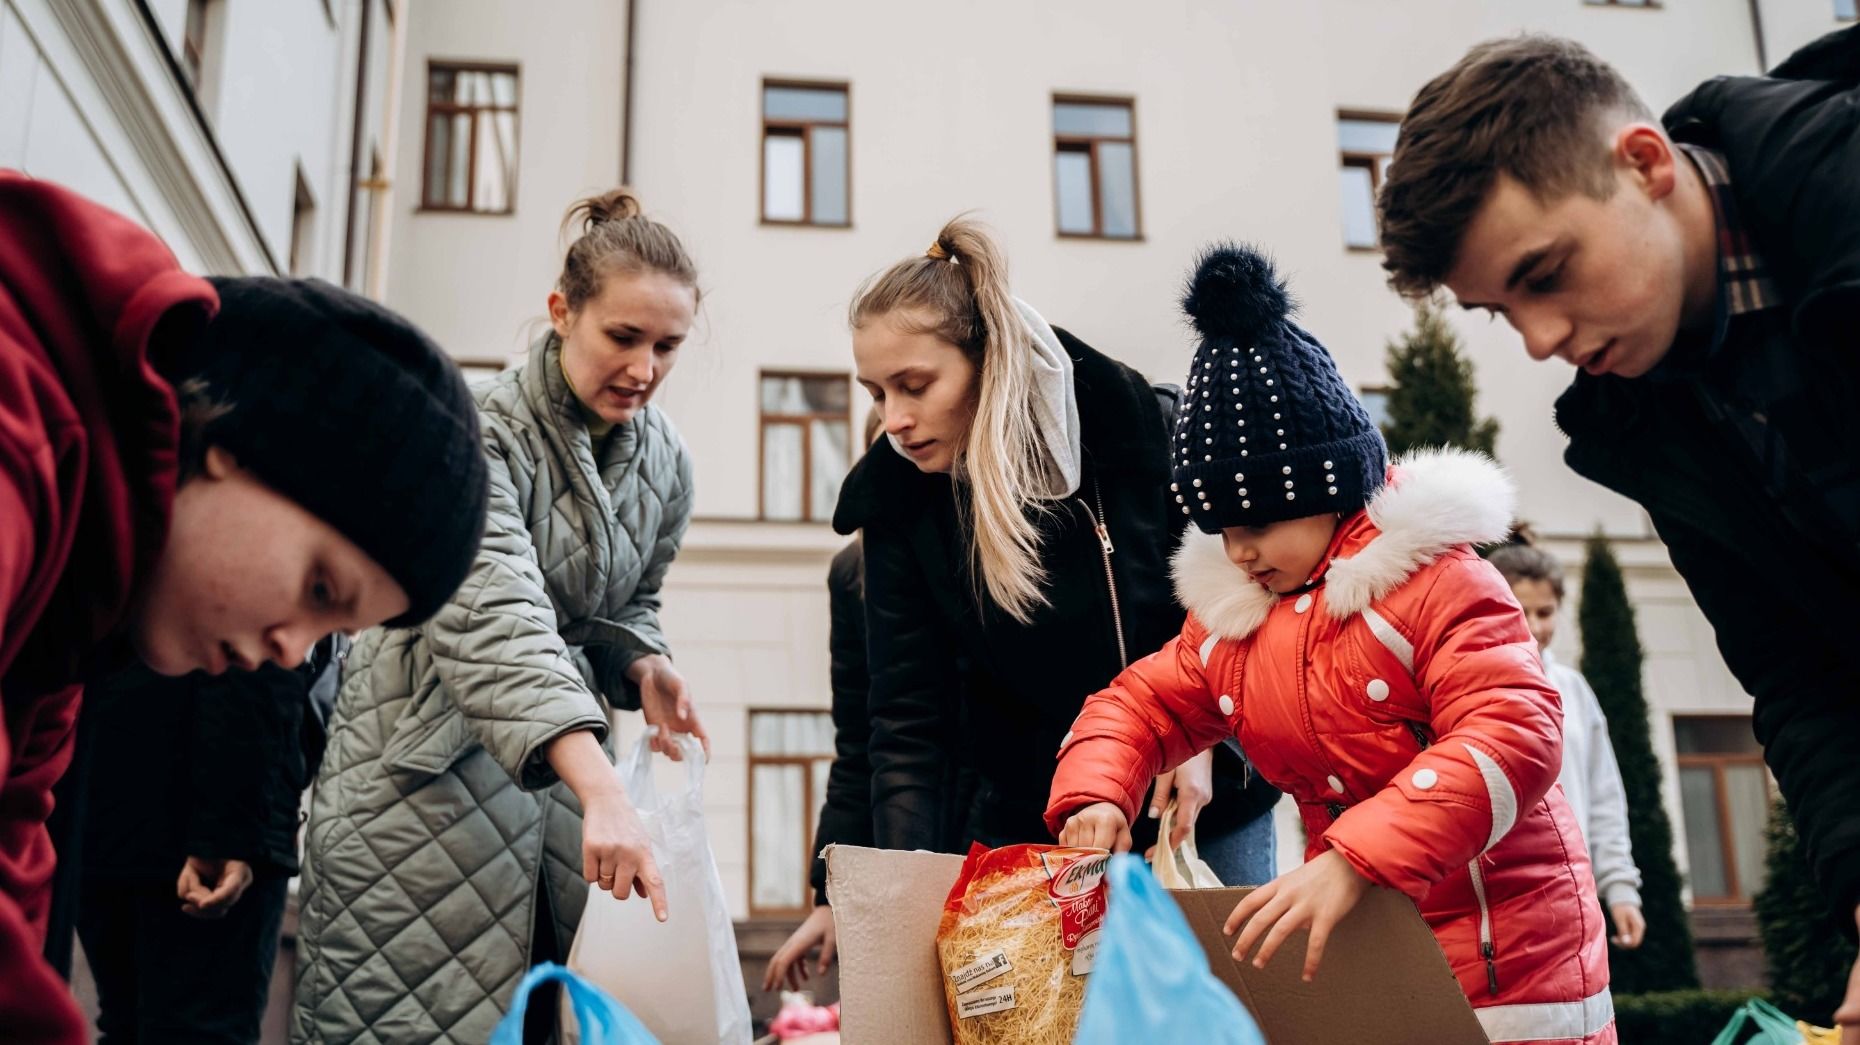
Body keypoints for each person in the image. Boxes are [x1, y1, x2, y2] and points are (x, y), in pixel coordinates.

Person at [1375, 27, 1860, 1032]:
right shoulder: (1652, 416)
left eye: (1545, 274)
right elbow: (1800, 676)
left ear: (1642, 164)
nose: (1543, 339)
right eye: (1502, 313)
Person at [1048, 245, 1613, 1044]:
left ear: (1323, 488)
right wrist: (1098, 792)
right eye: (1221, 531)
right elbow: (1137, 701)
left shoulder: (1438, 583)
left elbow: (1514, 731)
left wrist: (1353, 858)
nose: (1237, 551)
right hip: (1371, 959)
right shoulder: (1236, 620)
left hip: (1511, 968)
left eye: (1257, 526)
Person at [0, 170, 489, 1044]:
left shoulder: (75, 621)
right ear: (237, 445)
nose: (289, 650)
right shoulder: (19, 431)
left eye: (334, 633)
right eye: (318, 588)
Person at [290, 189, 707, 1045]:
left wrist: (643, 665)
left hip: (561, 811)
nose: (645, 367)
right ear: (562, 313)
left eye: (668, 345)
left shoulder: (667, 460)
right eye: (622, 336)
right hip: (419, 795)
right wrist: (601, 787)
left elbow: (631, 600)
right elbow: (493, 615)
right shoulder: (473, 429)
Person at [835, 219, 1281, 873]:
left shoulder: (1138, 428)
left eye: (915, 384)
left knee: (1227, 980)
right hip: (1046, 823)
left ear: (987, 359)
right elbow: (907, 725)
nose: (895, 420)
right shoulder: (897, 505)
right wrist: (908, 881)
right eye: (877, 394)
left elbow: (1241, 593)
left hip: (1199, 805)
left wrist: (1203, 736)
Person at [74, 634, 345, 1044]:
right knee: (200, 1030)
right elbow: (259, 642)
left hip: (104, 790)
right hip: (209, 816)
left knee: (128, 1023)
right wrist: (228, 834)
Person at [1489, 536, 1646, 951]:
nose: (1536, 626)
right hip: (1493, 899)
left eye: (1546, 612)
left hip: (1570, 892)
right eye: (1522, 611)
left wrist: (1620, 888)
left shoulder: (1573, 690)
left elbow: (1603, 795)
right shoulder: (1467, 685)